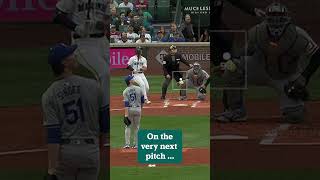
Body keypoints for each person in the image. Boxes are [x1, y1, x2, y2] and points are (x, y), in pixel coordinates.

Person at [215, 2, 320, 124]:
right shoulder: (258, 32)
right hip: (260, 69)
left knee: (295, 116)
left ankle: (296, 107)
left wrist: (304, 77)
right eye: (273, 17)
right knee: (232, 68)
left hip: (286, 77)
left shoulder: (298, 35)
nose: (276, 21)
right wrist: (226, 64)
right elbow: (244, 52)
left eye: (279, 18)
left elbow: (317, 55)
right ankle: (236, 111)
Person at [42, 43, 108, 180]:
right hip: (91, 151)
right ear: (65, 63)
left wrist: (51, 169)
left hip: (66, 153)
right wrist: (97, 147)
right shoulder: (93, 85)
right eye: (71, 55)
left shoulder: (49, 95)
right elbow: (105, 123)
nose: (75, 55)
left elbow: (53, 134)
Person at [53, 0, 109, 136]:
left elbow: (108, 17)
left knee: (116, 75)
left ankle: (101, 113)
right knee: (104, 74)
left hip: (103, 41)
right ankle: (104, 125)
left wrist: (103, 24)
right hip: (83, 42)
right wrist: (75, 27)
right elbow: (58, 15)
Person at [122, 75, 145, 148]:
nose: (133, 79)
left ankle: (127, 144)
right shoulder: (139, 89)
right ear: (130, 81)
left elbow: (126, 104)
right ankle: (136, 145)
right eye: (132, 79)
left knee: (128, 126)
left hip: (129, 110)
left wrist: (126, 115)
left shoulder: (125, 91)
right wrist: (140, 108)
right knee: (137, 127)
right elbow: (142, 101)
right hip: (138, 109)